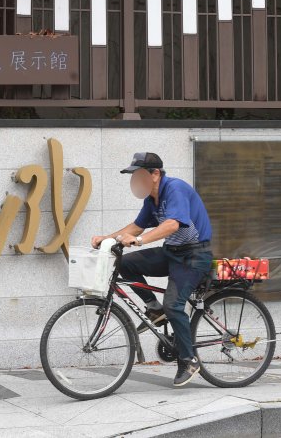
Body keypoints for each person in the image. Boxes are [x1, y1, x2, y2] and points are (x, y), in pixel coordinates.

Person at [91, 152, 213, 387]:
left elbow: (172, 223)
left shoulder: (174, 189)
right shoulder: (151, 199)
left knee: (174, 304)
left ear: (155, 174)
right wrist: (106, 238)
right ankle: (154, 309)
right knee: (125, 263)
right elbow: (136, 226)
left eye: (138, 175)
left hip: (195, 255)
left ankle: (189, 360)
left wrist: (141, 241)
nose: (135, 180)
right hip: (172, 252)